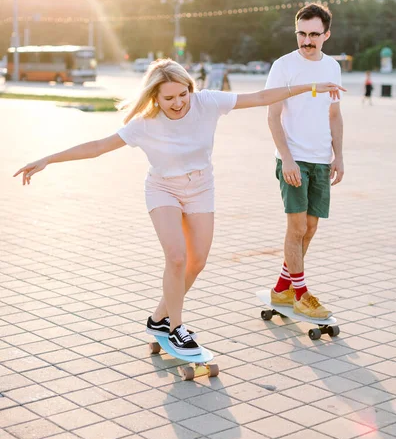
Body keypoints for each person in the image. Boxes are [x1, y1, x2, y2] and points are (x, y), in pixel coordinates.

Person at [14, 58, 344, 354]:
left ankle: (159, 318)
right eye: (168, 98)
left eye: (182, 94)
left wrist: (311, 86)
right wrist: (48, 159)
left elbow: (259, 97)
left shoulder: (208, 102)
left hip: (201, 188)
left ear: (190, 88)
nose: (177, 103)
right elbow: (99, 146)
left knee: (196, 261)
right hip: (163, 189)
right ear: (155, 98)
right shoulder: (145, 123)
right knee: (176, 257)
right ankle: (176, 328)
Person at [266, 3, 344, 320]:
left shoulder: (333, 68)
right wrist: (286, 159)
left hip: (321, 160)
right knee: (296, 227)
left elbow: (335, 114)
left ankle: (283, 287)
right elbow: (272, 117)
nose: (307, 41)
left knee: (310, 228)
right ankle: (300, 294)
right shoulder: (283, 66)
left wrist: (339, 155)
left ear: (326, 34)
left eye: (314, 34)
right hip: (294, 159)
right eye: (301, 33)